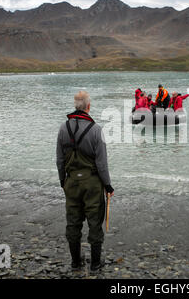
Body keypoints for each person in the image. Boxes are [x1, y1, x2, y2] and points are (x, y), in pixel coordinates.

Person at [56, 90, 114, 271]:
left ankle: (75, 262)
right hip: (92, 185)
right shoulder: (96, 130)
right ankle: (95, 264)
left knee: (73, 222)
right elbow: (101, 163)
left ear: (76, 106)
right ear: (89, 106)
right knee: (95, 222)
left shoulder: (63, 128)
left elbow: (59, 159)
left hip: (71, 182)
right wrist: (108, 185)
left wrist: (62, 181)